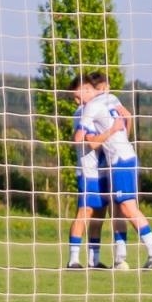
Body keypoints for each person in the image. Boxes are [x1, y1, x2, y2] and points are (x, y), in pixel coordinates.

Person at [79, 71, 152, 271]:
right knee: (118, 209)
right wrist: (123, 136)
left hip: (119, 159)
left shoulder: (91, 106)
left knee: (126, 207)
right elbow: (127, 116)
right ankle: (120, 259)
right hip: (126, 155)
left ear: (90, 89)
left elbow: (83, 136)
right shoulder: (112, 98)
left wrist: (103, 137)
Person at [65, 74, 110, 269]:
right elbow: (91, 142)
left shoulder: (98, 109)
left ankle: (94, 260)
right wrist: (112, 133)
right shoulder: (82, 113)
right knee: (84, 212)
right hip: (88, 171)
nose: (76, 102)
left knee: (99, 215)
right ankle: (73, 259)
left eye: (77, 97)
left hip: (102, 171)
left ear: (87, 90)